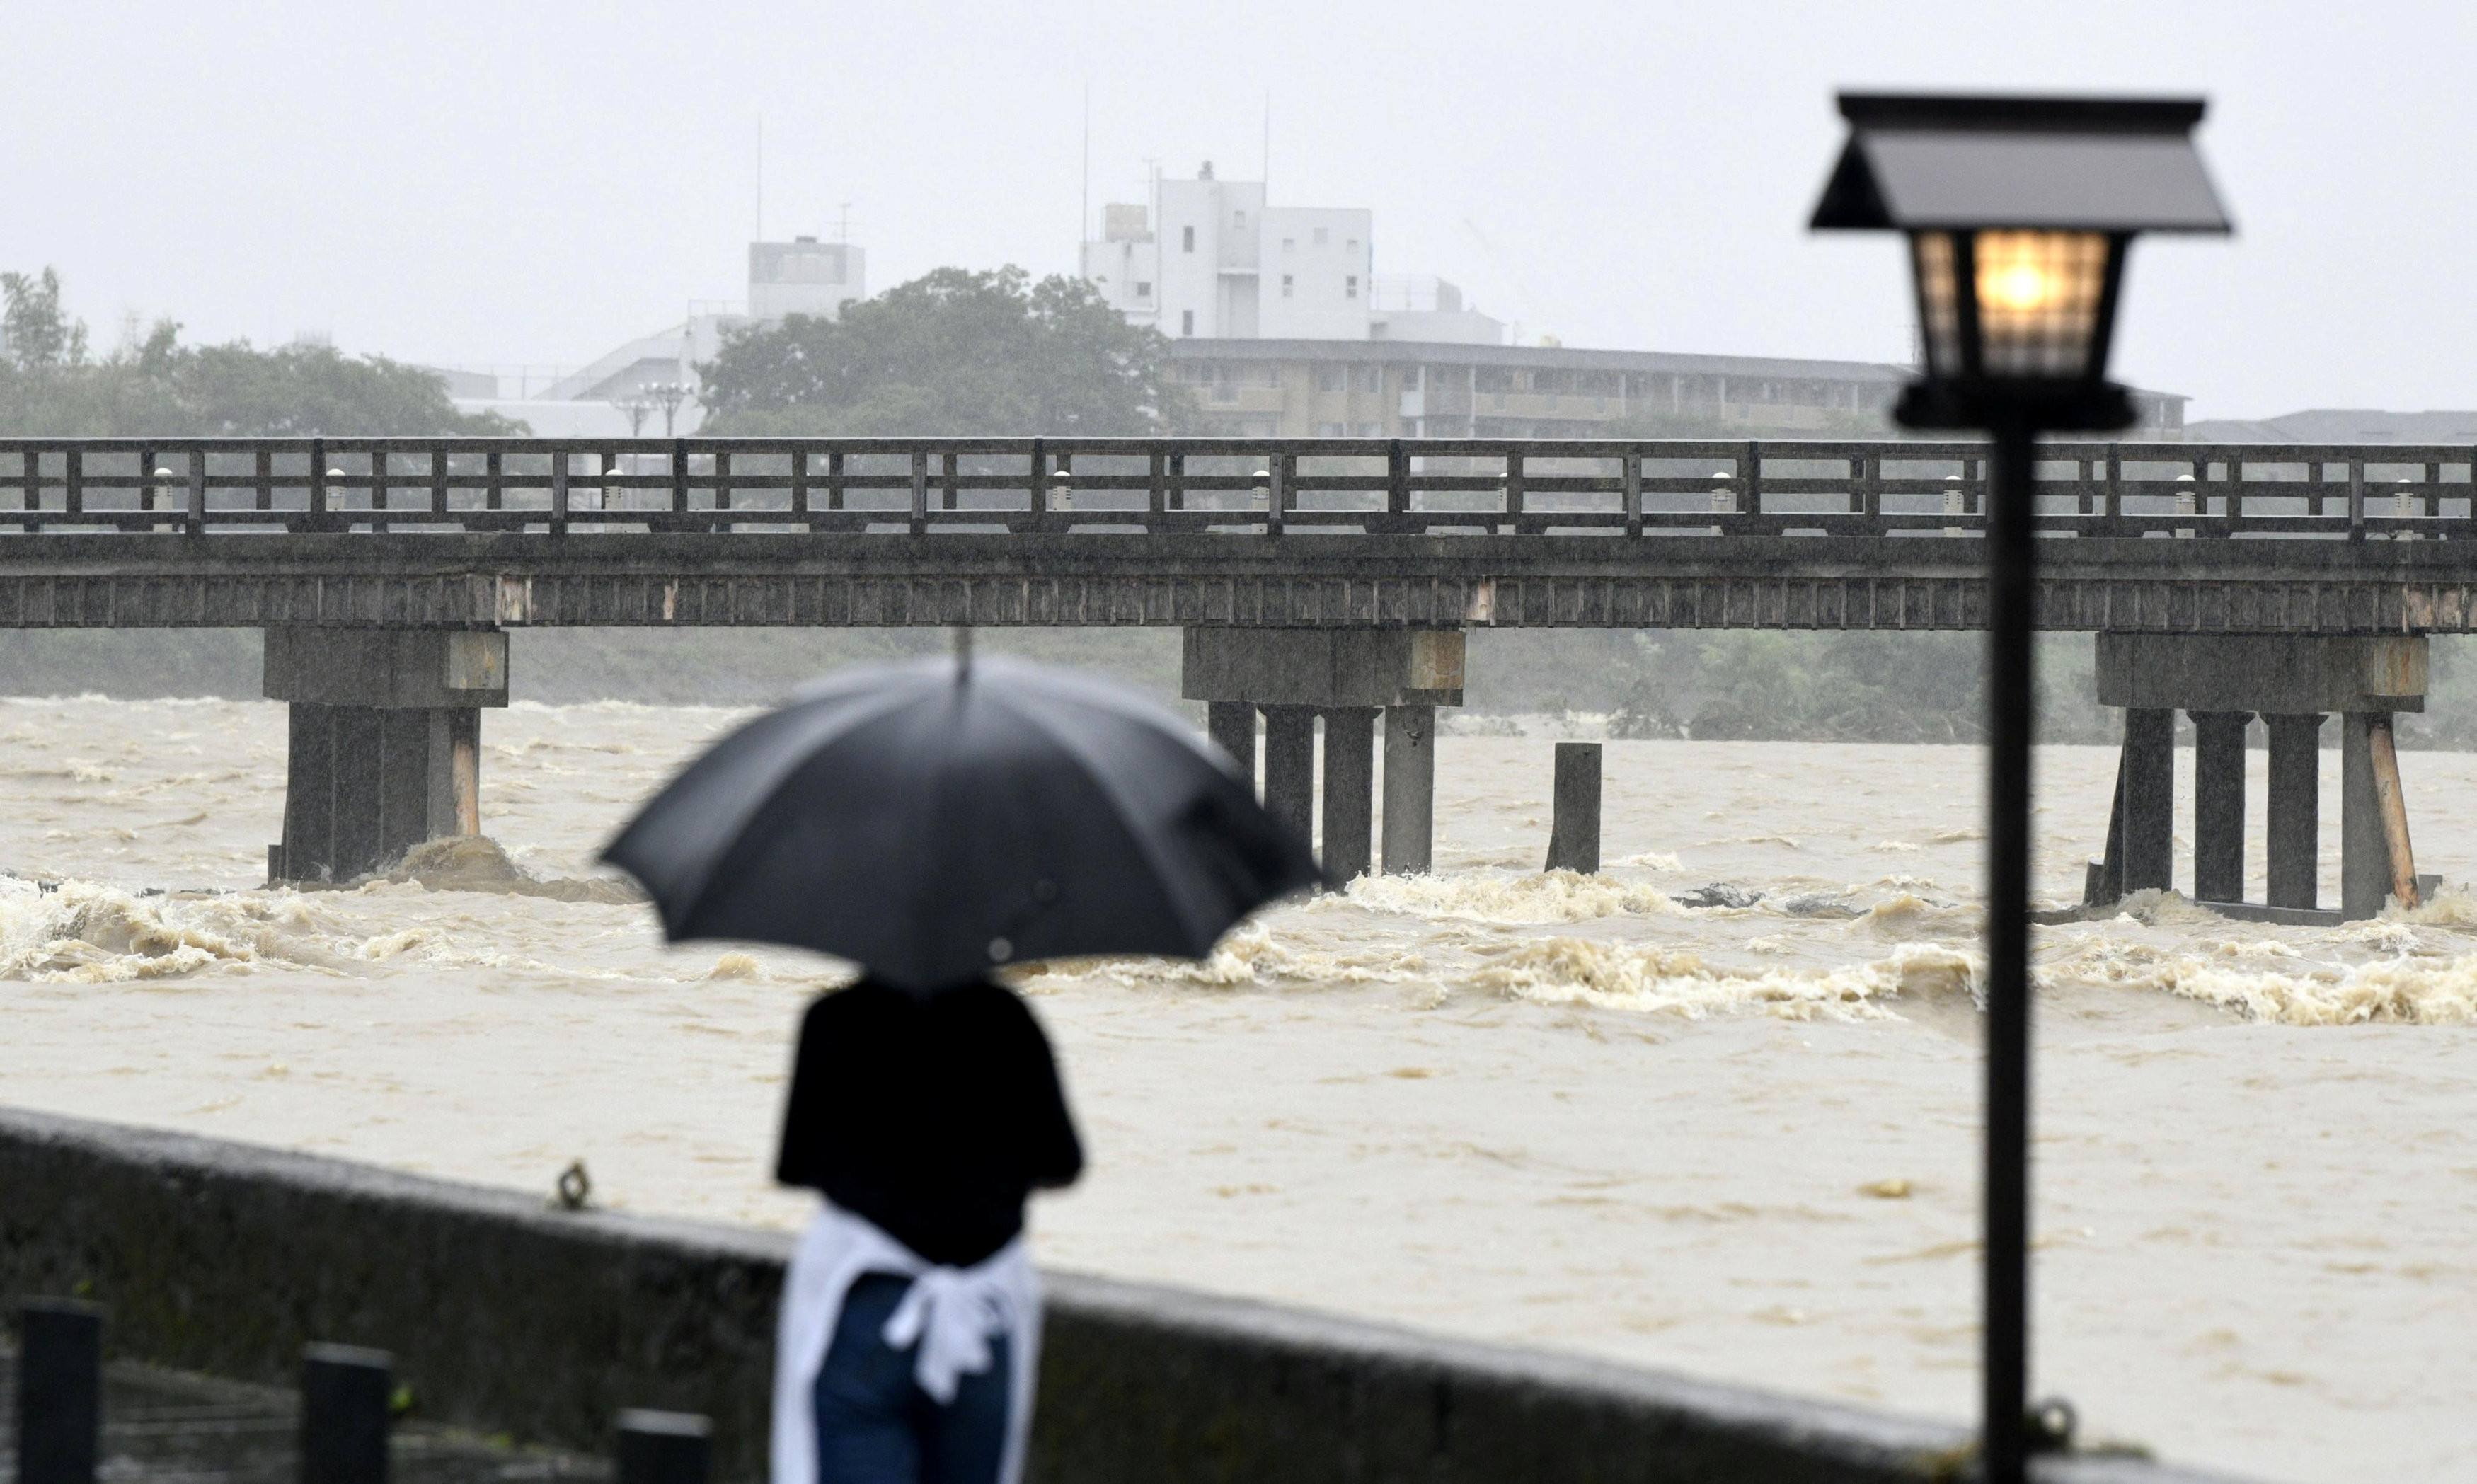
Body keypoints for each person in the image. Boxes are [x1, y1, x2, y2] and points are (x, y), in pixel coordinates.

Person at [769, 974, 1084, 1484]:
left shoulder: (834, 1019)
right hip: (980, 1320)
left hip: (865, 1312)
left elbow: (795, 1165)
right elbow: (1063, 1163)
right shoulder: (1008, 1021)